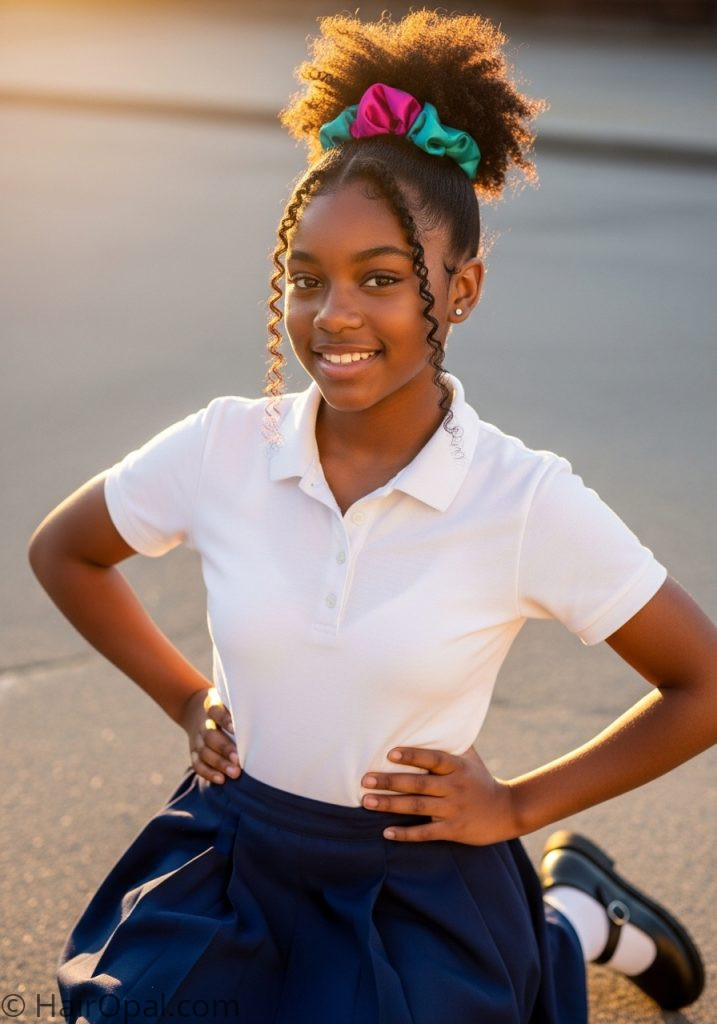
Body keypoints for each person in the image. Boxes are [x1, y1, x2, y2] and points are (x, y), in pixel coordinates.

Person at [28, 10, 715, 1024]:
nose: (334, 315)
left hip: (413, 879)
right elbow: (67, 551)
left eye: (382, 279)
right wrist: (186, 699)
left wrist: (518, 806)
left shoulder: (523, 499)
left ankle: (570, 910)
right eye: (308, 279)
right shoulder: (227, 446)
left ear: (462, 289)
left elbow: (701, 680)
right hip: (237, 854)